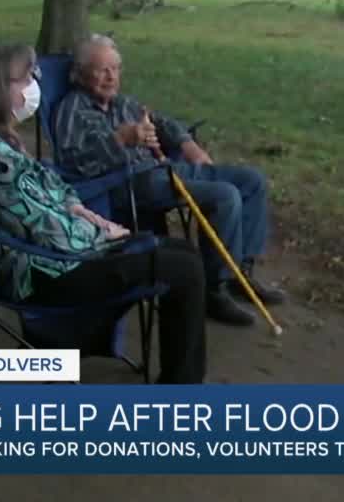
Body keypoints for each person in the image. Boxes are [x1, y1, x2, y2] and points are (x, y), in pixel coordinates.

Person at [0, 43, 206, 384]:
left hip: (60, 256)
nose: (33, 86)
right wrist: (108, 234)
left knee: (181, 253)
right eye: (25, 79)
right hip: (47, 273)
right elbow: (49, 231)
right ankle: (180, 392)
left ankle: (179, 382)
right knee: (184, 266)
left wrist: (80, 210)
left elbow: (52, 190)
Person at [52, 33, 286, 328]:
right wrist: (119, 140)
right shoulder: (71, 109)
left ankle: (241, 272)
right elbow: (74, 164)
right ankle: (214, 289)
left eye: (116, 68)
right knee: (224, 196)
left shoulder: (123, 104)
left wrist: (188, 145)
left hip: (165, 171)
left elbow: (161, 122)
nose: (111, 77)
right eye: (102, 70)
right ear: (82, 74)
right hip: (128, 183)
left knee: (252, 181)